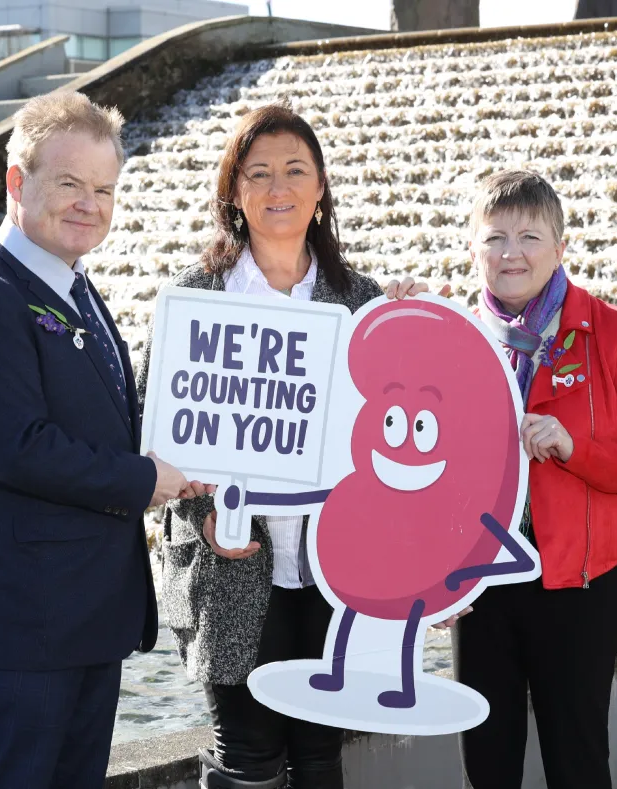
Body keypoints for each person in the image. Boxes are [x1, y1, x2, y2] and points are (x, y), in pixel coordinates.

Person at [136, 102, 435, 789]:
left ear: (321, 188)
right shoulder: (191, 299)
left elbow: (399, 435)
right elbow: (154, 445)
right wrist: (199, 516)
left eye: (295, 170)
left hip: (335, 576)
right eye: (259, 172)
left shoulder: (361, 303)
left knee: (323, 758)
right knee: (246, 758)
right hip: (228, 571)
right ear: (234, 190)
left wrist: (416, 321)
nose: (279, 189)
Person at [0, 91, 203, 789]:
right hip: (22, 623)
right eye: (70, 184)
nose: (89, 204)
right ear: (18, 183)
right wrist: (148, 479)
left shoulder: (74, 285)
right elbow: (21, 447)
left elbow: (108, 422)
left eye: (104, 189)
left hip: (84, 613)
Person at [445, 170, 617, 789]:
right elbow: (424, 473)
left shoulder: (610, 332)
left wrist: (576, 447)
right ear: (474, 249)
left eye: (529, 236)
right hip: (482, 584)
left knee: (576, 765)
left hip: (580, 587)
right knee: (487, 766)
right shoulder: (453, 339)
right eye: (495, 237)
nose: (511, 253)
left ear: (560, 246)